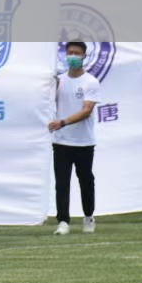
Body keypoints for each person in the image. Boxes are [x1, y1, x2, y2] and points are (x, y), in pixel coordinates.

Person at [49, 40, 99, 235]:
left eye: (77, 53)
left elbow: (86, 111)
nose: (73, 56)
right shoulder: (59, 81)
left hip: (83, 141)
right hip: (61, 141)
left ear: (84, 56)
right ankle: (63, 221)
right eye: (70, 52)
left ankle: (88, 217)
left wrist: (62, 122)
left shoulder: (90, 81)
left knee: (86, 180)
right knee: (61, 182)